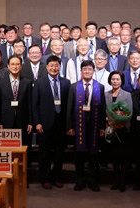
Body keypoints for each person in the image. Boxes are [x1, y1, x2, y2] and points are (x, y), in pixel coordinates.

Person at [31, 55, 70, 189]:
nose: (54, 68)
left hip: (61, 123)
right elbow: (35, 105)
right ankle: (45, 178)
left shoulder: (66, 83)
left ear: (60, 67)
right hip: (44, 123)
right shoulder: (39, 83)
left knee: (59, 153)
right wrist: (37, 122)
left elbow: (68, 105)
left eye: (56, 65)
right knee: (45, 153)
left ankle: (56, 177)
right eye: (51, 65)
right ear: (47, 67)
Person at [66, 60, 106, 191]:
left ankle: (93, 180)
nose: (87, 71)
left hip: (94, 125)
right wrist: (70, 126)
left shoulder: (100, 87)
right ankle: (80, 180)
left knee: (94, 154)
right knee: (79, 154)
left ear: (93, 71)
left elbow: (103, 108)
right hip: (78, 125)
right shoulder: (74, 87)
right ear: (81, 71)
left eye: (90, 69)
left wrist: (102, 127)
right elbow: (69, 108)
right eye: (85, 69)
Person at [0, 55, 32, 143]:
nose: (15, 67)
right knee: (7, 147)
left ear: (21, 66)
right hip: (5, 121)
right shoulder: (0, 83)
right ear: (8, 66)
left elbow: (30, 104)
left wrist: (30, 122)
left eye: (17, 64)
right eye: (12, 64)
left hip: (23, 121)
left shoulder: (27, 83)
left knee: (23, 146)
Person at [104, 71, 133, 192]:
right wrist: (108, 123)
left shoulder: (127, 95)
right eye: (113, 79)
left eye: (118, 79)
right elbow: (104, 111)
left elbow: (129, 113)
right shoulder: (106, 94)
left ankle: (122, 182)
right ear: (110, 80)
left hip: (122, 130)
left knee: (123, 158)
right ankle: (115, 181)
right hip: (111, 130)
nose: (115, 81)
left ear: (121, 81)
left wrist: (121, 124)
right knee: (114, 157)